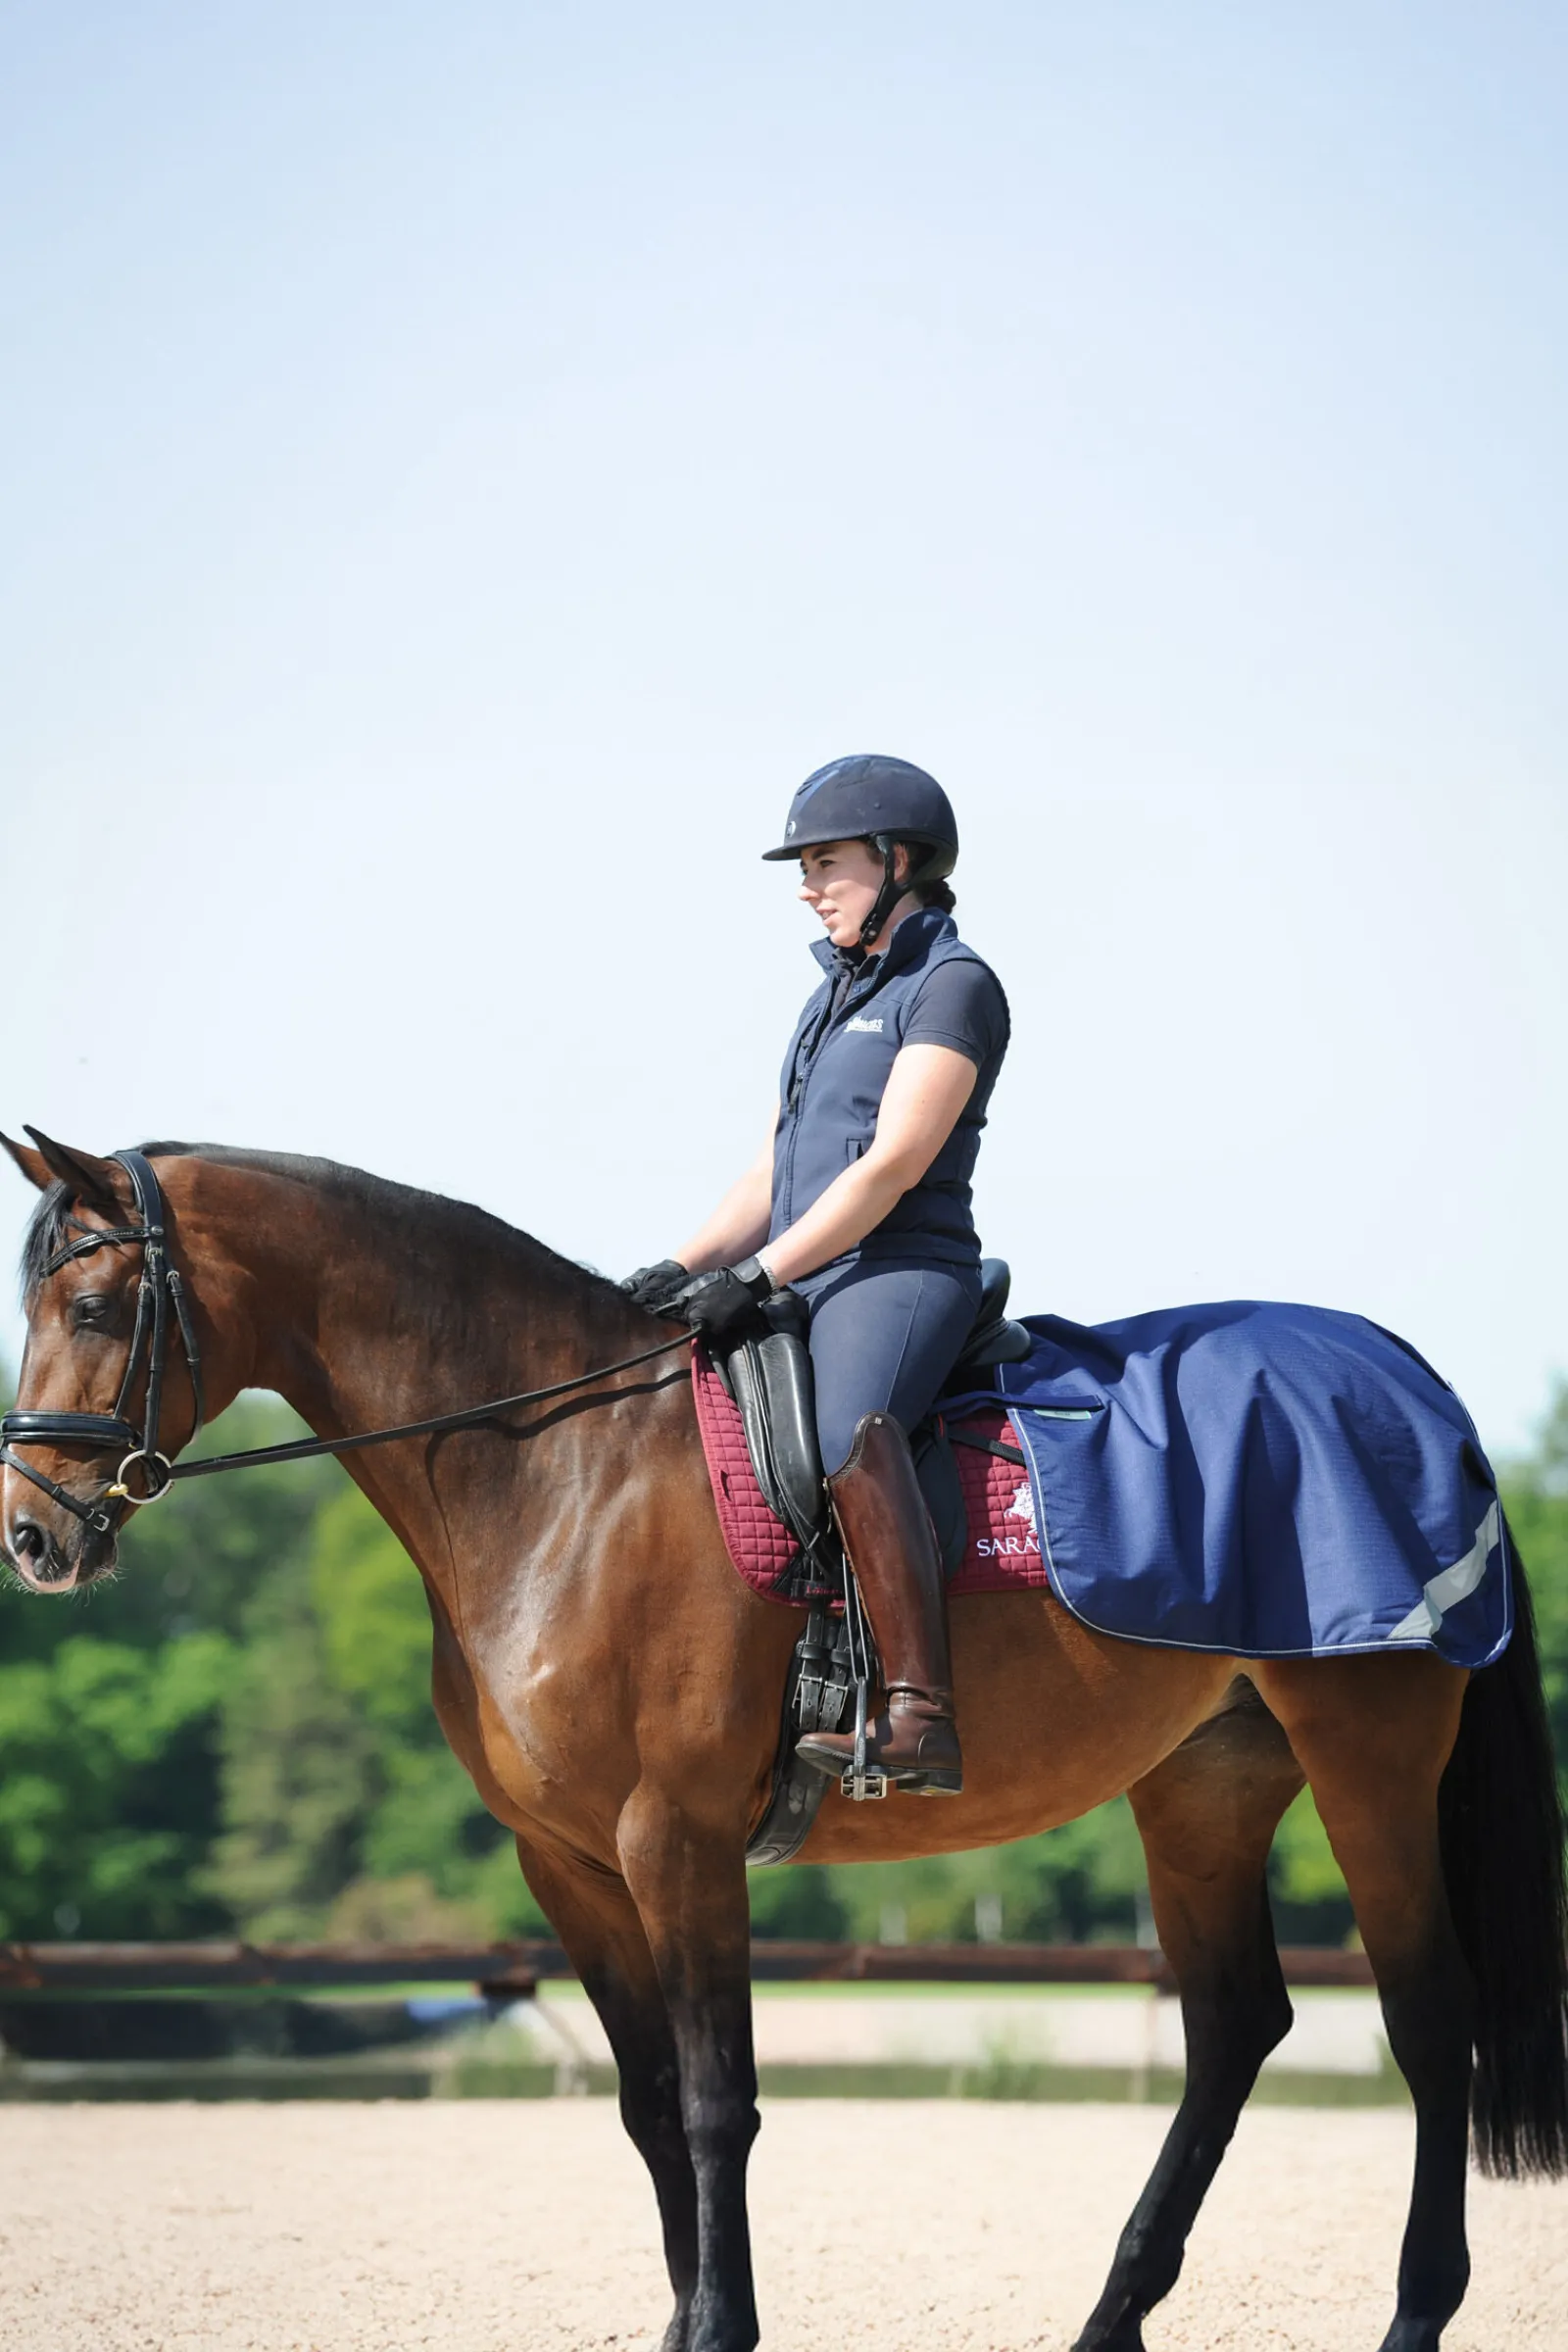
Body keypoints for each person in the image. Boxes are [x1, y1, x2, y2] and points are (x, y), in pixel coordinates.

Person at [623, 755, 1009, 1793]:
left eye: (826, 863)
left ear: (898, 860)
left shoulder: (953, 986)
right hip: (806, 1269)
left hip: (897, 1268)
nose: (808, 886)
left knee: (848, 1435)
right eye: (804, 867)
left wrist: (758, 1276)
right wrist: (680, 1268)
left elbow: (890, 1165)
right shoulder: (830, 996)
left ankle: (919, 1714)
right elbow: (773, 1168)